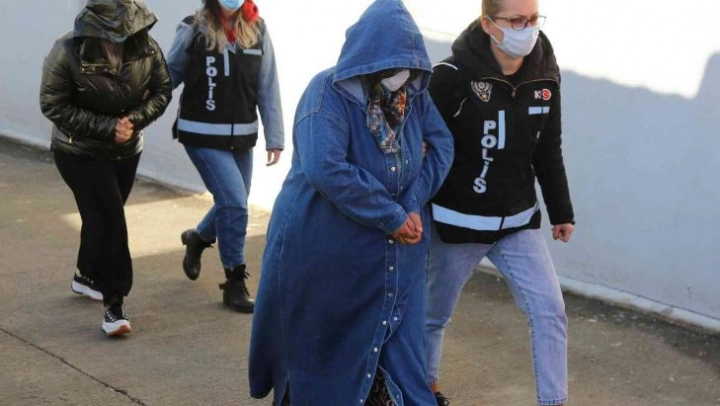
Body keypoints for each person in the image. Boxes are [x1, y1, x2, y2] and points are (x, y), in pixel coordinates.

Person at [247, 0, 454, 404]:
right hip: (324, 245)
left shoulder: (414, 98)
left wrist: (412, 203)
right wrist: (390, 214)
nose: (401, 73)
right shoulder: (327, 93)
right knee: (322, 352)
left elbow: (442, 145)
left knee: (396, 352)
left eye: (410, 65)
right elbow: (326, 167)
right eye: (394, 63)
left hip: (395, 251)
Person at [424, 0, 575, 405]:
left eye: (533, 19)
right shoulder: (450, 77)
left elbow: (548, 149)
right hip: (457, 225)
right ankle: (425, 389)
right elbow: (425, 149)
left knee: (549, 312)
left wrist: (561, 211)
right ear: (489, 24)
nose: (528, 29)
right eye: (516, 20)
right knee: (432, 316)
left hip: (518, 222)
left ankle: (554, 401)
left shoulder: (545, 74)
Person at [39, 0, 172, 336]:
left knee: (100, 217)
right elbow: (52, 104)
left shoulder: (147, 48)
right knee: (111, 219)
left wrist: (134, 121)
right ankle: (115, 303)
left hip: (126, 149)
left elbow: (162, 90)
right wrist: (106, 127)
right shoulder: (66, 50)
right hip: (78, 150)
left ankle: (86, 274)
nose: (119, 37)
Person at [166, 0, 284, 313]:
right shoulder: (193, 28)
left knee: (233, 202)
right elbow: (168, 75)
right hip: (201, 133)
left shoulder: (258, 29)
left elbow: (267, 85)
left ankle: (198, 239)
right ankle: (234, 282)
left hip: (242, 136)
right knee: (234, 203)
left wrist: (275, 137)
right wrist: (136, 111)